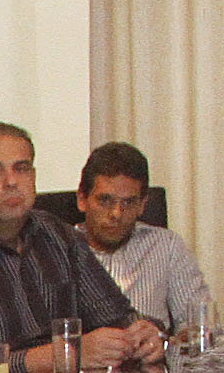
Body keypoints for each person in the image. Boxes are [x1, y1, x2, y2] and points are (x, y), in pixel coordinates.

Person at [0, 121, 164, 373]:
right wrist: (67, 355)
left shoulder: (56, 233)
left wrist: (145, 334)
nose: (11, 182)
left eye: (22, 169)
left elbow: (115, 316)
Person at [71, 142, 214, 335]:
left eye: (128, 202)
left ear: (142, 205)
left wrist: (162, 342)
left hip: (151, 362)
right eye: (105, 200)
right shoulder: (59, 249)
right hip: (85, 362)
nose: (116, 213)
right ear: (82, 199)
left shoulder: (167, 246)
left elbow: (202, 329)